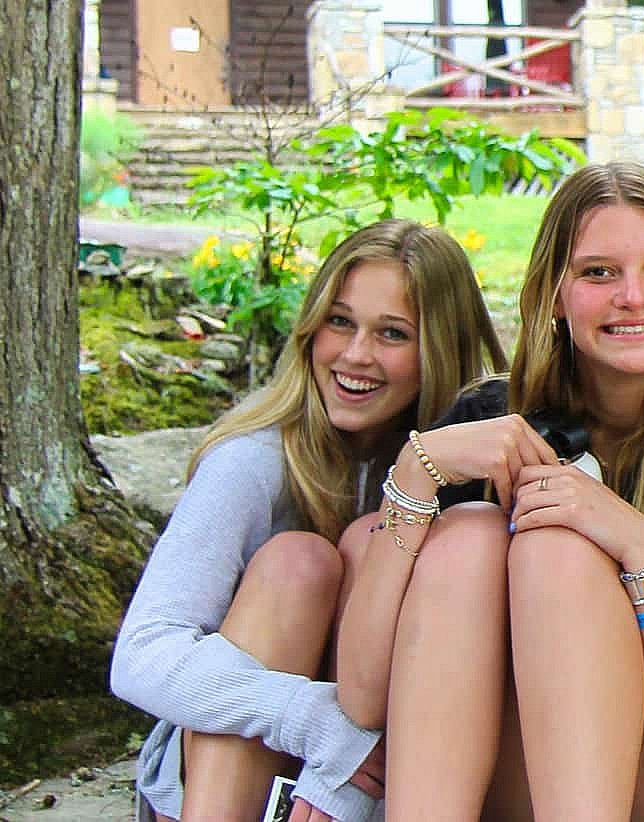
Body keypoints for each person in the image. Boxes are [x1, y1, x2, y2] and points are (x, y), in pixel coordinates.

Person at [333, 162, 644, 820]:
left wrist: (641, 547)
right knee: (468, 536)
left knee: (557, 547)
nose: (633, 296)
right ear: (552, 291)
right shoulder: (486, 425)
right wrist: (414, 469)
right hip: (521, 778)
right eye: (598, 272)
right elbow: (363, 697)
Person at [109, 219, 509, 822]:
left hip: (393, 768)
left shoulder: (468, 466)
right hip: (236, 762)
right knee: (298, 563)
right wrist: (311, 719)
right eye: (340, 321)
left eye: (393, 334)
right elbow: (141, 654)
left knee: (372, 542)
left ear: (440, 348)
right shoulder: (254, 459)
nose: (355, 356)